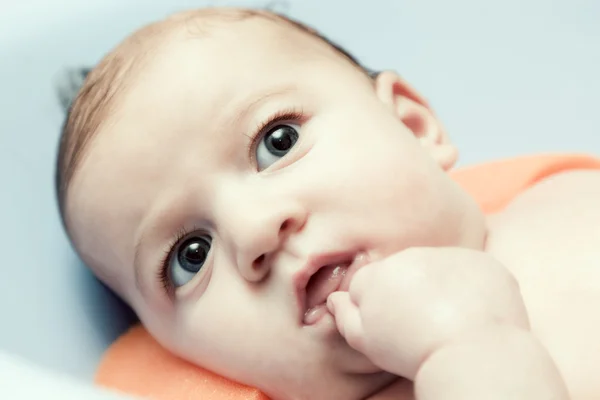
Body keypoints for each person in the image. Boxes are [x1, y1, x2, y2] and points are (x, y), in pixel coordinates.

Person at [56, 7, 600, 400]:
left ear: (411, 125)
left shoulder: (570, 206)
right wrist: (471, 346)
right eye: (190, 255)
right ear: (171, 345)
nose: (255, 231)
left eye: (278, 142)